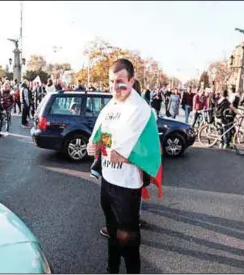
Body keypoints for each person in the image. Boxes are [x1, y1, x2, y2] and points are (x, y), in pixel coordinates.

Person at [87, 59, 161, 274]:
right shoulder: (112, 105)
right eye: (111, 82)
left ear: (131, 81)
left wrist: (125, 158)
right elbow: (100, 136)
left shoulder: (140, 109)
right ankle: (112, 270)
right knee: (111, 232)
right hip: (108, 181)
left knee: (128, 239)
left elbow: (152, 154)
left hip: (127, 187)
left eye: (120, 82)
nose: (115, 87)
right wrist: (95, 146)